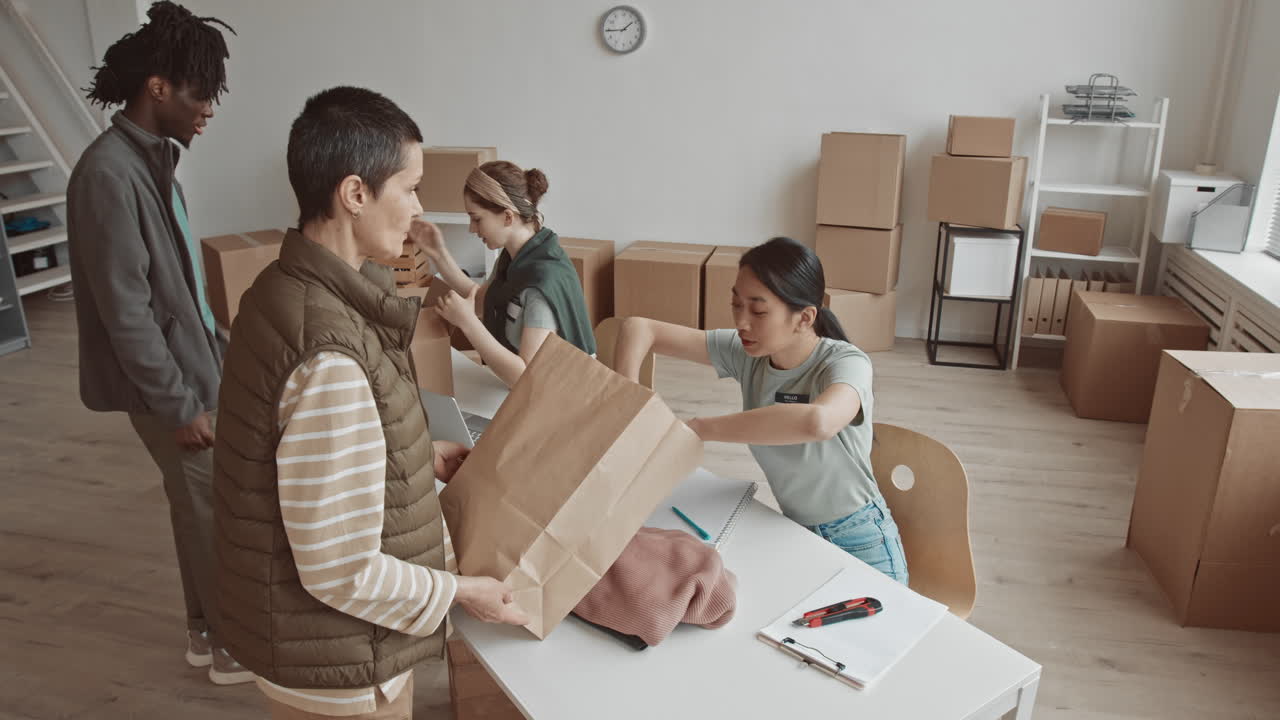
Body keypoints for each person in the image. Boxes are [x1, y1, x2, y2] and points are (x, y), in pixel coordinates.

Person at [212, 86, 528, 720]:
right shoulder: (329, 353)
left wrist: (418, 456)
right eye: (410, 188)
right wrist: (462, 592)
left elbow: (300, 458)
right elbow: (340, 569)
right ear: (355, 193)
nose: (418, 208)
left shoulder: (284, 289)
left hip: (312, 638)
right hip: (342, 660)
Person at [66, 1, 250, 684]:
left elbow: (175, 287)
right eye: (201, 94)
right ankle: (232, 645)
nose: (210, 109)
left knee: (198, 508)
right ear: (158, 87)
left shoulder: (151, 161)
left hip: (195, 368)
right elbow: (126, 311)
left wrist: (219, 344)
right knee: (216, 512)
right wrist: (178, 404)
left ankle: (207, 634)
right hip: (170, 388)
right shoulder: (108, 174)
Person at [613, 237, 908, 584]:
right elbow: (638, 327)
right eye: (736, 304)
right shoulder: (748, 353)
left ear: (804, 317)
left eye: (758, 311)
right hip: (796, 533)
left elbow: (818, 421)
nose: (742, 322)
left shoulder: (846, 362)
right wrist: (631, 403)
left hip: (861, 539)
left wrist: (700, 428)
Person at [409, 161, 595, 387]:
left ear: (508, 216)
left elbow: (524, 378)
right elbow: (483, 302)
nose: (471, 229)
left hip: (561, 396)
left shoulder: (541, 284)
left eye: (477, 218)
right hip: (534, 391)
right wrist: (439, 254)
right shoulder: (515, 258)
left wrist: (468, 323)